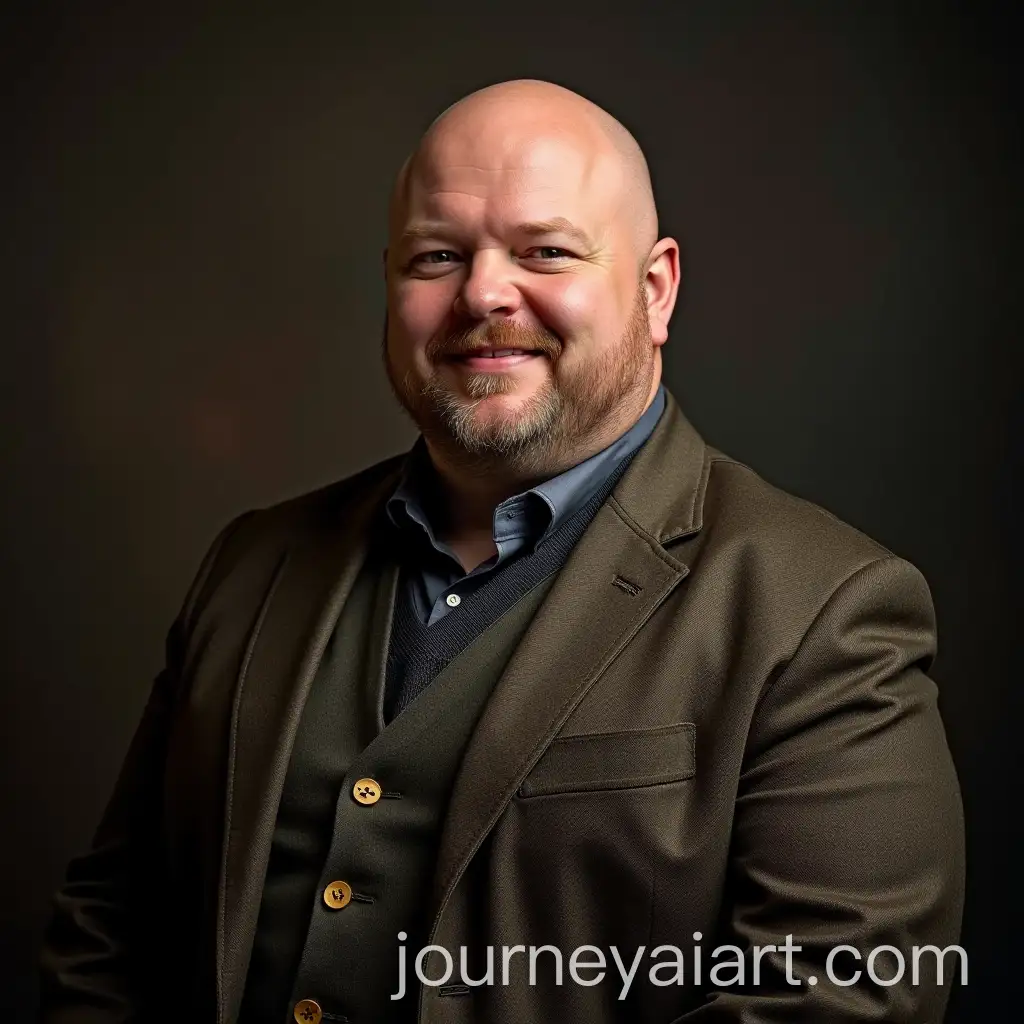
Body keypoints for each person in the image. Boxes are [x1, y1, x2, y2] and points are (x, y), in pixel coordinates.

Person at [39, 78, 964, 1024]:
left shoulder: (823, 608)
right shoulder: (252, 564)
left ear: (654, 291)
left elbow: (841, 1000)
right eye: (437, 256)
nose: (483, 292)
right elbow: (114, 934)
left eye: (546, 252)